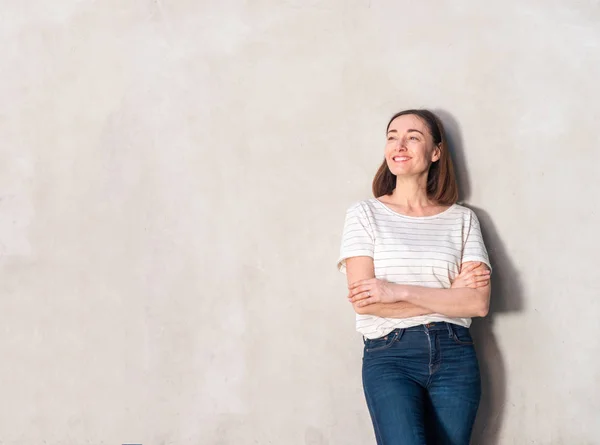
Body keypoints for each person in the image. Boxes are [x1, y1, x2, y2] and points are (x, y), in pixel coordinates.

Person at [336, 109, 492, 445]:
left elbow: (477, 303)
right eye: (392, 136)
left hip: (456, 355)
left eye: (413, 137)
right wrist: (449, 298)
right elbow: (365, 304)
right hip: (391, 357)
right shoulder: (365, 215)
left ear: (436, 152)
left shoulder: (462, 220)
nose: (399, 144)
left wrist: (394, 291)